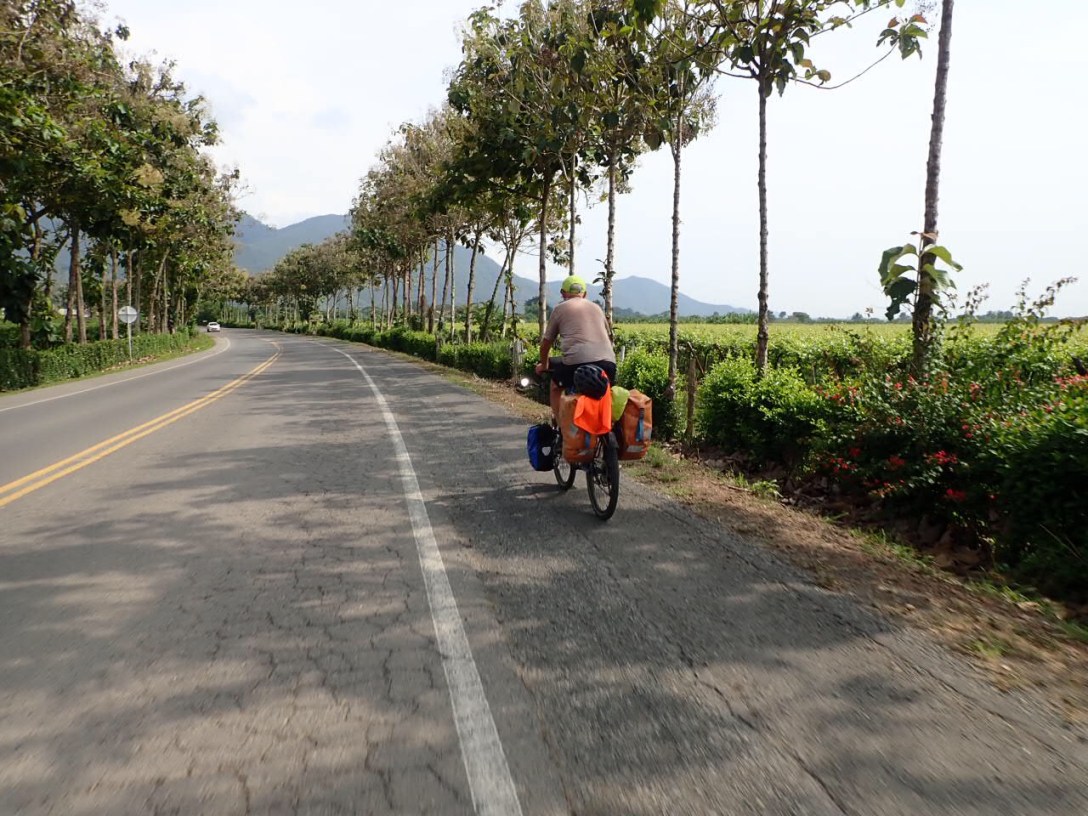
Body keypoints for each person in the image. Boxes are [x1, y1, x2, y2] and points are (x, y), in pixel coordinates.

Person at [534, 274, 617, 421]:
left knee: (555, 386)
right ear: (585, 294)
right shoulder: (597, 308)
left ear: (563, 293)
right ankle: (608, 425)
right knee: (606, 393)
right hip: (608, 363)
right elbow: (609, 337)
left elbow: (546, 343)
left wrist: (544, 365)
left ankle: (560, 425)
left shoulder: (560, 309)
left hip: (576, 363)